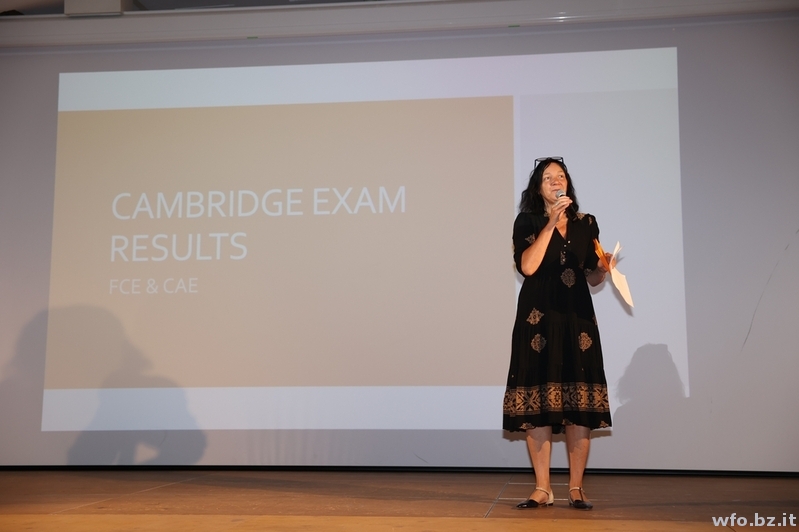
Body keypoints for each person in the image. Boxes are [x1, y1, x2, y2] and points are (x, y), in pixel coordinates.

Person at [503, 157, 612, 510]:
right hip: (539, 318)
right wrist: (550, 222)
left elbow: (591, 277)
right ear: (538, 188)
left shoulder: (586, 223)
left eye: (560, 176)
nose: (555, 181)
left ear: (568, 184)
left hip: (577, 319)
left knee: (579, 402)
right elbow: (528, 266)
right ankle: (543, 488)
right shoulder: (528, 221)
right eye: (547, 177)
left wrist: (603, 269)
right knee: (539, 401)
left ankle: (576, 488)